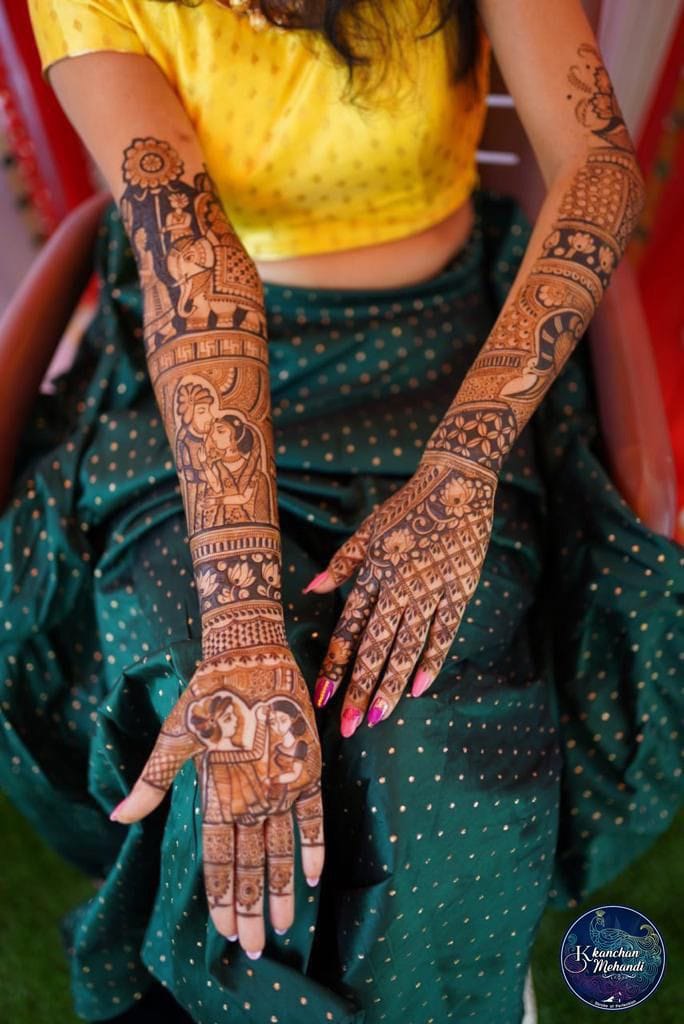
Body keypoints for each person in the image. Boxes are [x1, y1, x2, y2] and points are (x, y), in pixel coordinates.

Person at [2, 1, 681, 1021]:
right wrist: (241, 627)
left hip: (446, 362)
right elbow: (196, 262)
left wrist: (463, 465)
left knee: (423, 725)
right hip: (197, 385)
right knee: (213, 715)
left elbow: (594, 162)